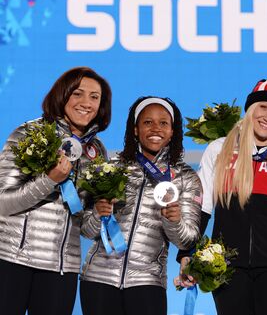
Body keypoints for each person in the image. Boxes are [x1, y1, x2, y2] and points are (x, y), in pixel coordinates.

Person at [175, 77, 267, 315]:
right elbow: (203, 207)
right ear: (250, 108)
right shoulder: (219, 149)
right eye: (263, 107)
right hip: (227, 267)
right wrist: (186, 253)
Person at [0, 67, 112, 315]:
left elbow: (85, 227)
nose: (86, 103)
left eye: (95, 97)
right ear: (62, 95)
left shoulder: (97, 152)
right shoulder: (28, 135)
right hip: (11, 261)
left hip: (63, 270)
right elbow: (3, 203)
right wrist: (50, 180)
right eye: (78, 94)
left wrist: (101, 214)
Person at [79, 96, 202, 315]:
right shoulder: (110, 169)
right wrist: (98, 214)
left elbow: (189, 238)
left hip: (147, 282)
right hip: (98, 279)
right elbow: (87, 230)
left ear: (173, 131)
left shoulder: (186, 178)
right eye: (148, 122)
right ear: (135, 129)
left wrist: (173, 221)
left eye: (163, 123)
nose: (156, 128)